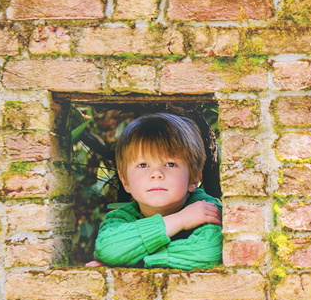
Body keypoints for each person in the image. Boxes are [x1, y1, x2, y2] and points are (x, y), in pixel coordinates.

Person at [86, 113, 222, 269]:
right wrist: (180, 220)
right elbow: (108, 249)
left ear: (194, 178)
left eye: (170, 164)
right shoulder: (122, 217)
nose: (156, 174)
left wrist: (130, 260)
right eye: (143, 165)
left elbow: (208, 252)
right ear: (125, 181)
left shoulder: (204, 209)